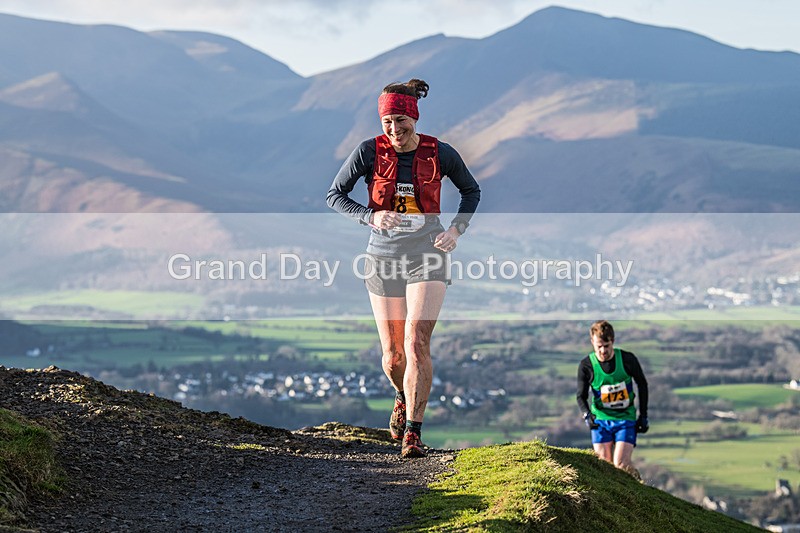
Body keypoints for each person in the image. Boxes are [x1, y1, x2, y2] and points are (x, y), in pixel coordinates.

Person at [327, 78, 481, 458]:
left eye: (401, 121)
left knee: (417, 343)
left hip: (427, 254)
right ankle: (402, 394)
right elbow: (334, 195)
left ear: (414, 116)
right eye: (387, 123)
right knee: (394, 356)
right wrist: (370, 216)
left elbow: (471, 190)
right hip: (382, 256)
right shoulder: (368, 152)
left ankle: (413, 432)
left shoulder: (440, 153)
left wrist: (456, 231)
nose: (394, 130)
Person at [576, 320, 649, 477]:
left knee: (621, 465)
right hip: (601, 420)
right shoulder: (586, 365)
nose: (603, 351)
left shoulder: (627, 359)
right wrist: (587, 415)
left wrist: (643, 415)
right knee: (605, 467)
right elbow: (580, 396)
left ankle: (637, 483)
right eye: (599, 346)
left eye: (606, 346)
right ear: (592, 342)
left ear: (612, 342)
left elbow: (642, 384)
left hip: (625, 419)